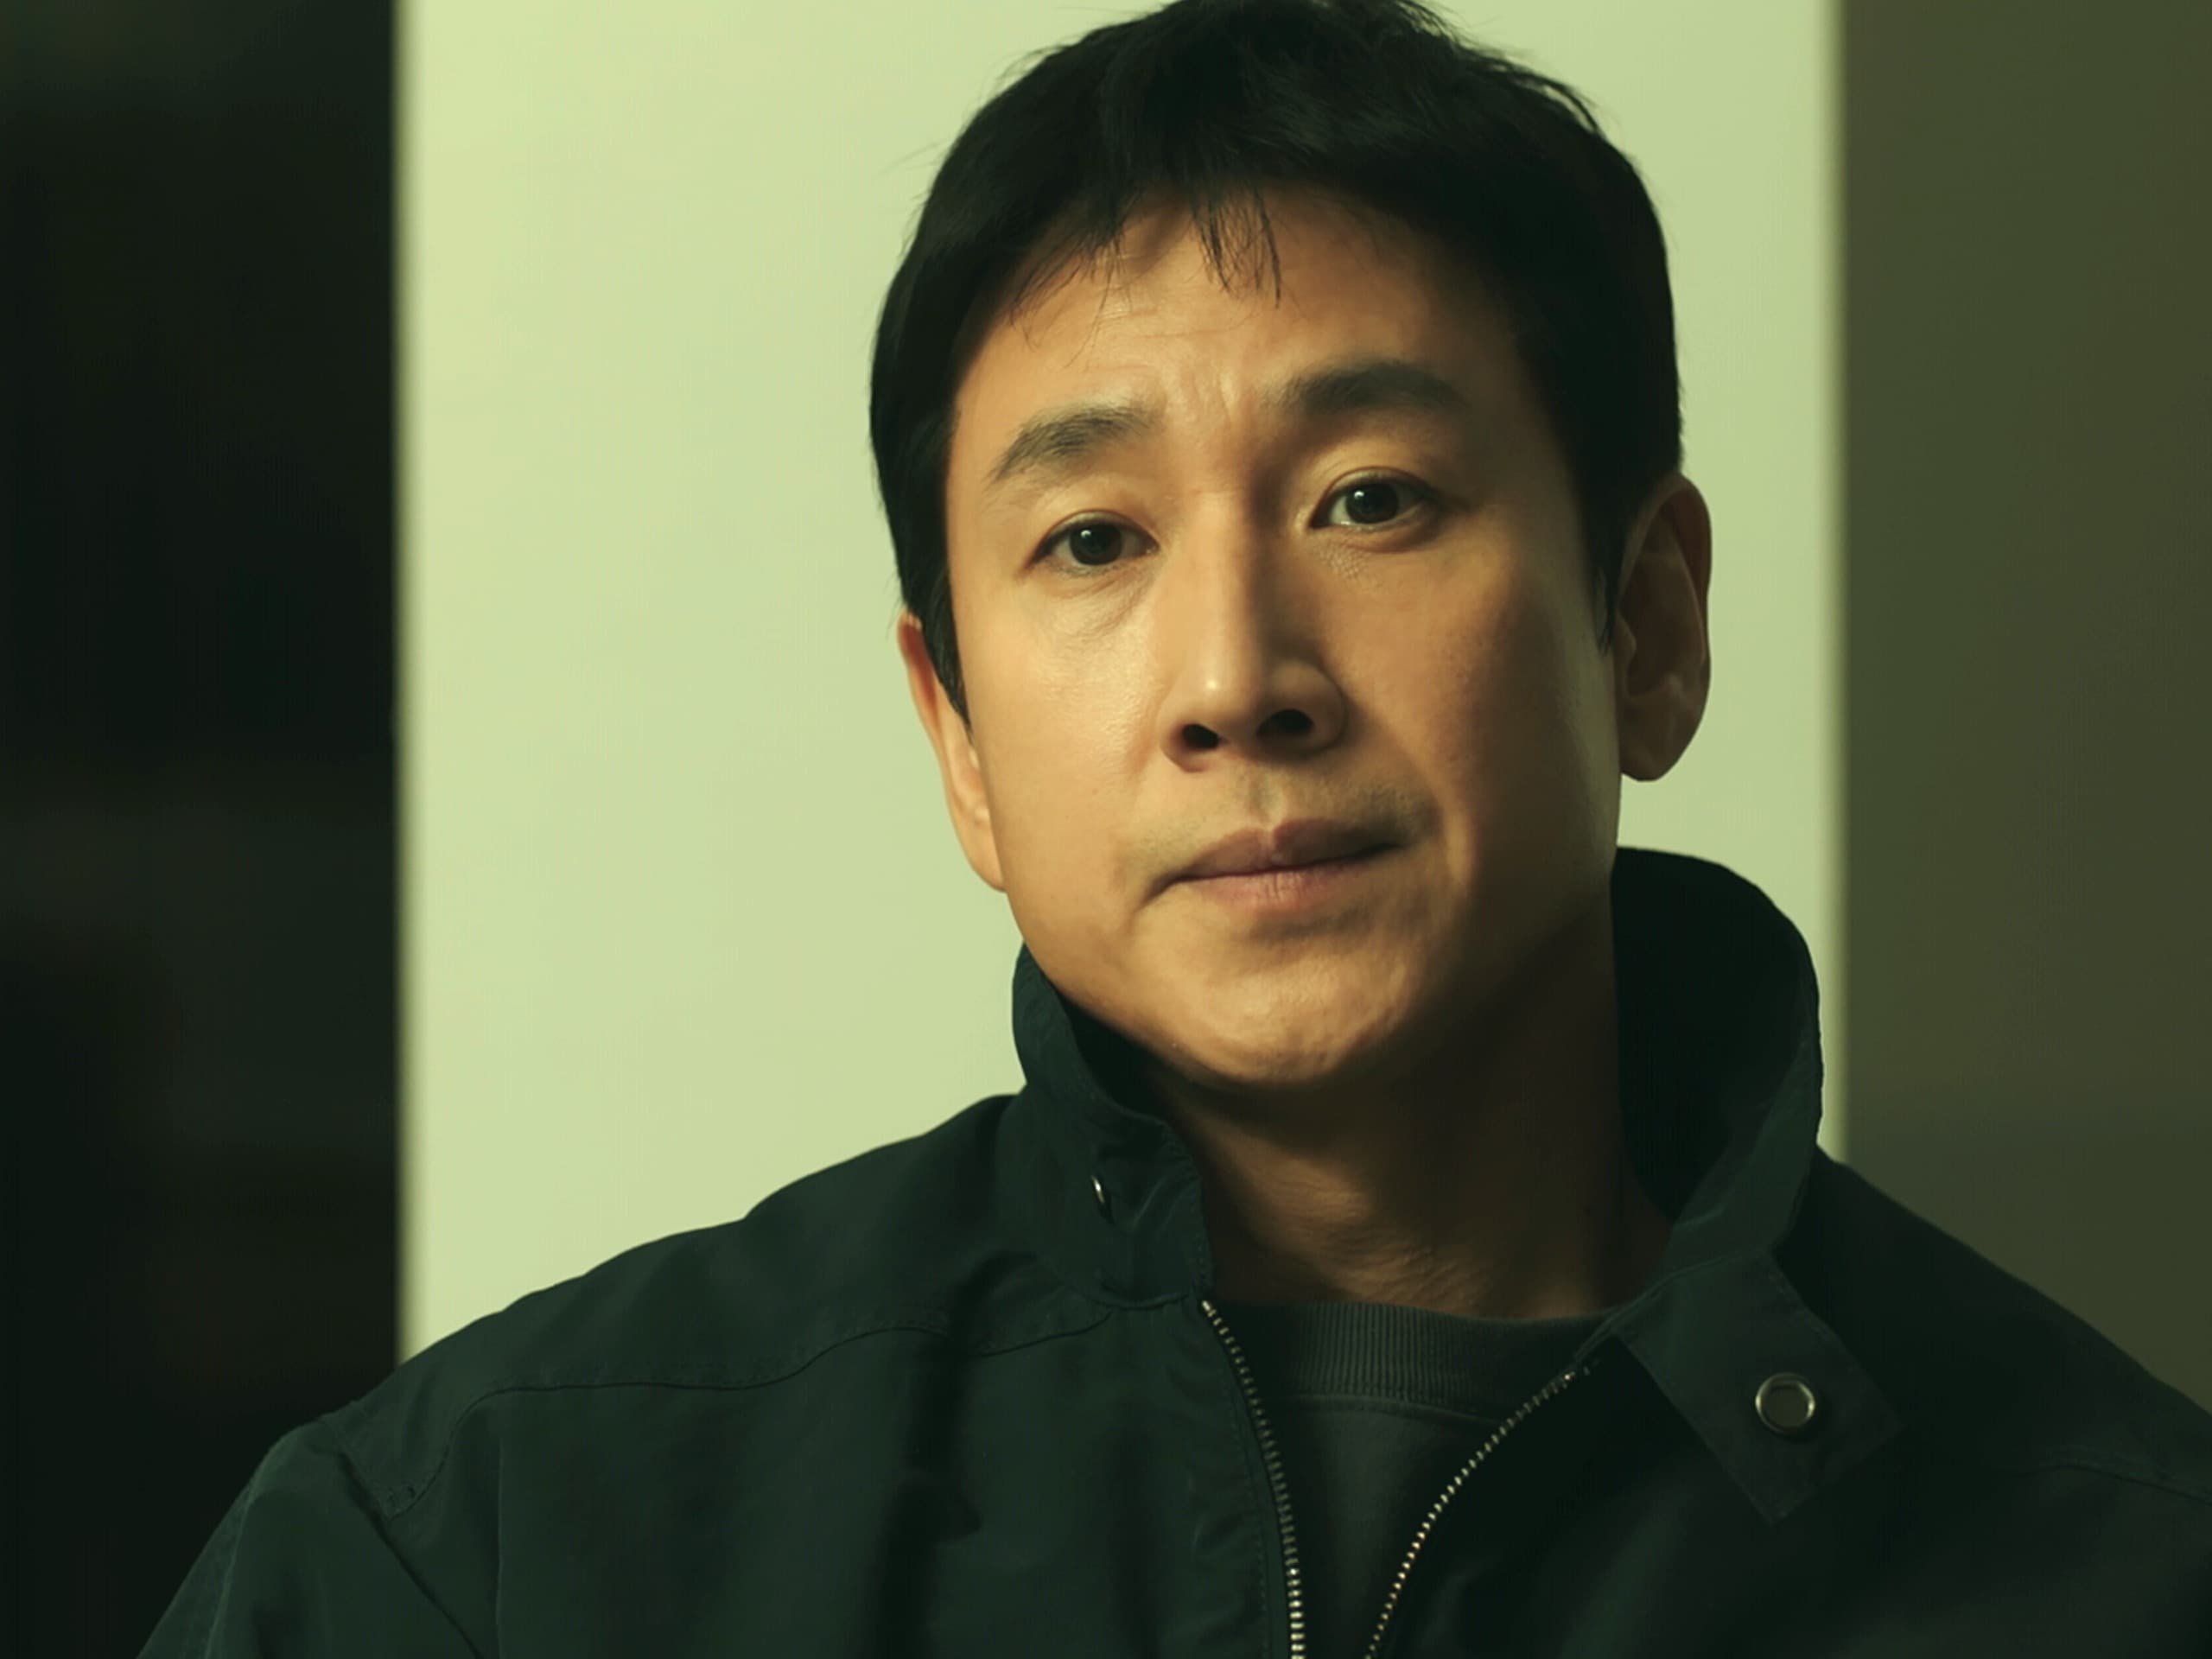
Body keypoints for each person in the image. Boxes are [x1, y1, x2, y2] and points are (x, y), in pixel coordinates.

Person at [142, 1, 2212, 1653]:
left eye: (1368, 500)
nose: (1236, 677)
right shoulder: (495, 1546)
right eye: (1091, 538)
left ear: (1645, 623)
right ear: (957, 735)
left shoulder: (2109, 1569)